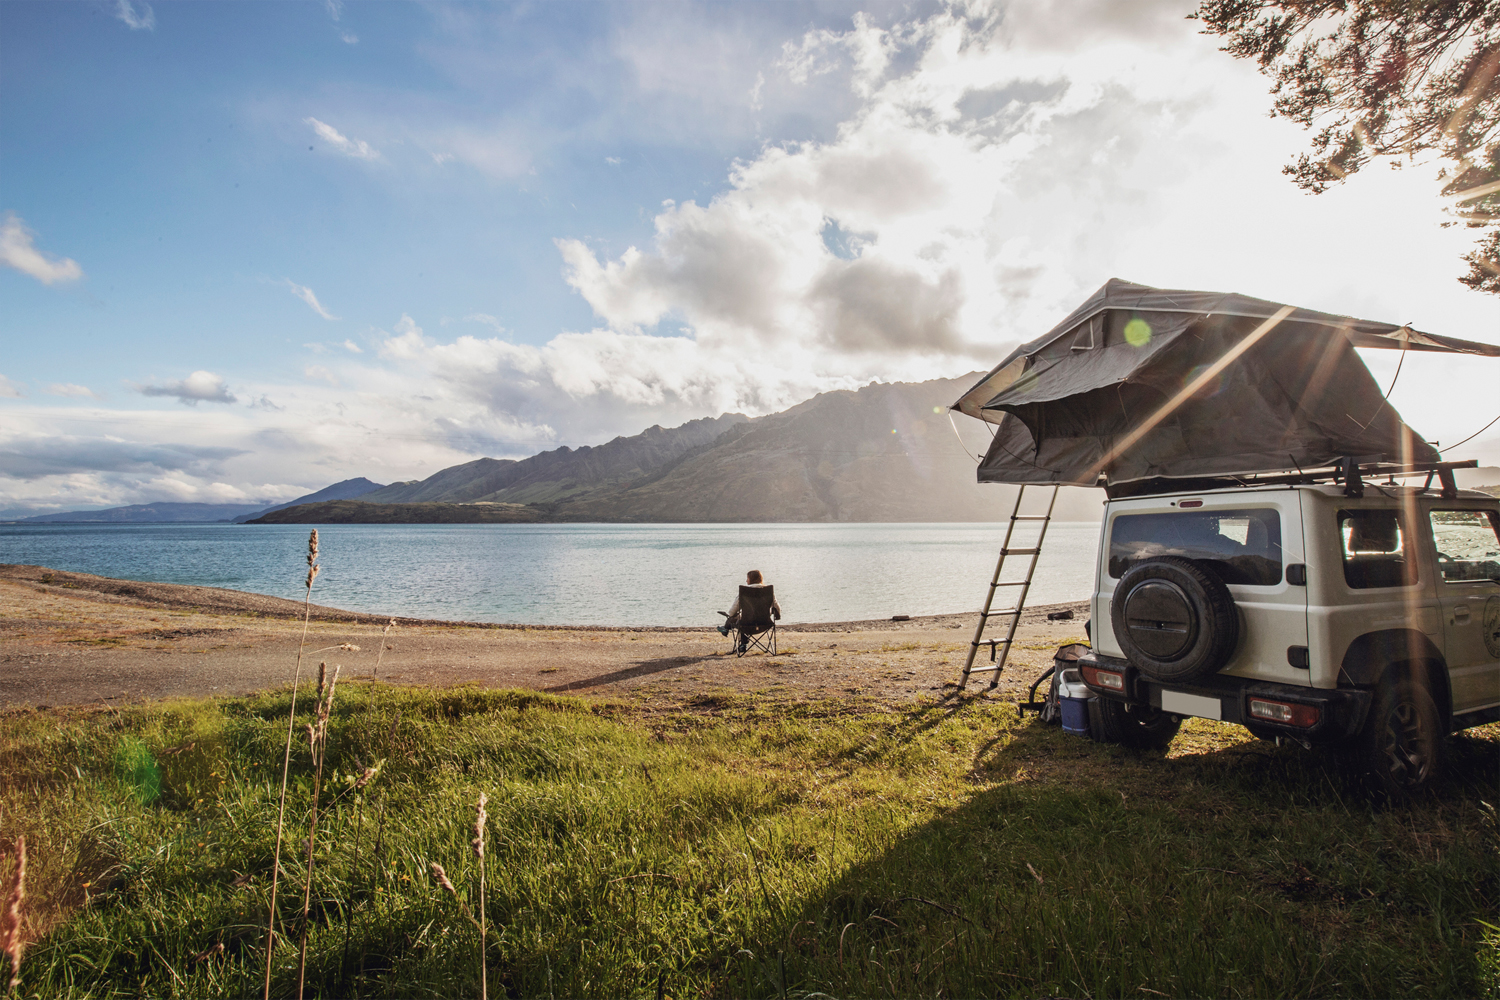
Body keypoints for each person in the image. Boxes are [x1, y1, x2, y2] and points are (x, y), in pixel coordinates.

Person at [717, 569, 781, 651]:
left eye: (747, 578)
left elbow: (731, 612)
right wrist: (777, 615)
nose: (746, 581)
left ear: (751, 580)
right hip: (765, 623)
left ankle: (732, 634)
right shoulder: (768, 592)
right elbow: (778, 607)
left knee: (736, 618)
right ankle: (728, 631)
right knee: (740, 618)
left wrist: (731, 616)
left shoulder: (744, 592)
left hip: (746, 624)